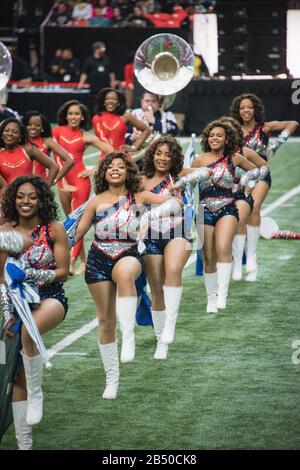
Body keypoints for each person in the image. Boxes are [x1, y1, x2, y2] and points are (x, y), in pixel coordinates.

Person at [74, 151, 182, 399]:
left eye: (120, 167)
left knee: (125, 275)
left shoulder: (140, 196)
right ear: (103, 173)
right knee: (104, 321)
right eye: (110, 167)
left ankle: (129, 334)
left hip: (129, 253)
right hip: (98, 259)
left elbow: (174, 203)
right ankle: (112, 379)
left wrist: (156, 211)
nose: (115, 170)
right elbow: (78, 234)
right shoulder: (94, 201)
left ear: (128, 172)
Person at [0, 175, 69, 450]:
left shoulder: (54, 229)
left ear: (41, 199)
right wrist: (8, 314)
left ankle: (37, 392)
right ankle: (24, 444)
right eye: (20, 196)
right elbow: (2, 278)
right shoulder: (5, 231)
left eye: (32, 196)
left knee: (30, 331)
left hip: (50, 298)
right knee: (16, 374)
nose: (25, 201)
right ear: (12, 199)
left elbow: (63, 272)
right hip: (16, 304)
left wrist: (29, 273)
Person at [141, 135, 211, 358]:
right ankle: (161, 339)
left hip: (178, 233)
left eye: (168, 154)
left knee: (173, 270)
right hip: (150, 237)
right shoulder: (142, 180)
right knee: (156, 289)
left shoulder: (178, 175)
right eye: (158, 153)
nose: (162, 158)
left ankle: (170, 325)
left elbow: (206, 172)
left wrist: (183, 182)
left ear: (174, 158)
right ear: (151, 155)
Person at [229, 93, 299, 281]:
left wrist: (276, 145)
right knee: (238, 216)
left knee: (254, 207)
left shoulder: (264, 128)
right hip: (238, 178)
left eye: (249, 107)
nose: (246, 111)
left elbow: (293, 123)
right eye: (242, 107)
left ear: (255, 110)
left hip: (261, 175)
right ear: (238, 110)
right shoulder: (232, 129)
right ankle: (237, 263)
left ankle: (252, 259)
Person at [192, 120, 256, 313]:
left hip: (227, 207)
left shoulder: (234, 158)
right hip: (204, 209)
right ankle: (211, 298)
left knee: (222, 248)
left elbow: (255, 170)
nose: (215, 138)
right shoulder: (199, 160)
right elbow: (185, 182)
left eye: (219, 135)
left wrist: (244, 183)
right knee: (208, 256)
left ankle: (222, 294)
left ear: (227, 138)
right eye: (211, 135)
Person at [53, 100, 112, 275]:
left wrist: (95, 170)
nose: (73, 117)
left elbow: (110, 150)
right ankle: (84, 261)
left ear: (82, 116)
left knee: (76, 222)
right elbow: (56, 157)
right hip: (63, 182)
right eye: (70, 113)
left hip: (80, 182)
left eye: (77, 114)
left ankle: (70, 262)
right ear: (65, 115)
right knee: (68, 221)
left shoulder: (86, 136)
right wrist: (61, 180)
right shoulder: (56, 131)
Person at [219, 116, 269, 281]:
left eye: (226, 133)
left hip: (252, 184)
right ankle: (236, 260)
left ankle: (250, 257)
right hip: (228, 192)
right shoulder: (213, 155)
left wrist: (248, 183)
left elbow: (263, 167)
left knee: (249, 210)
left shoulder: (244, 152)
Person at [0, 118, 58, 190]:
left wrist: (45, 190)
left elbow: (54, 167)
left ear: (20, 136)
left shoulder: (29, 150)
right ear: (1, 134)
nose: (10, 134)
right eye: (6, 131)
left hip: (28, 197)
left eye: (15, 132)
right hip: (7, 198)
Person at [93, 87, 151, 153]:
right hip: (106, 158)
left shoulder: (126, 116)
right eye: (107, 99)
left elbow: (147, 130)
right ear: (103, 101)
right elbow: (102, 140)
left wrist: (134, 147)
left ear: (118, 102)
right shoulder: (97, 118)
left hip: (123, 158)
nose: (110, 101)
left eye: (114, 99)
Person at [22, 111, 74, 182]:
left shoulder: (47, 141)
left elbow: (70, 161)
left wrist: (54, 180)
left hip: (39, 186)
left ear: (42, 127)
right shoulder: (19, 141)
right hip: (21, 185)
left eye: (37, 125)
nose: (33, 127)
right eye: (29, 124)